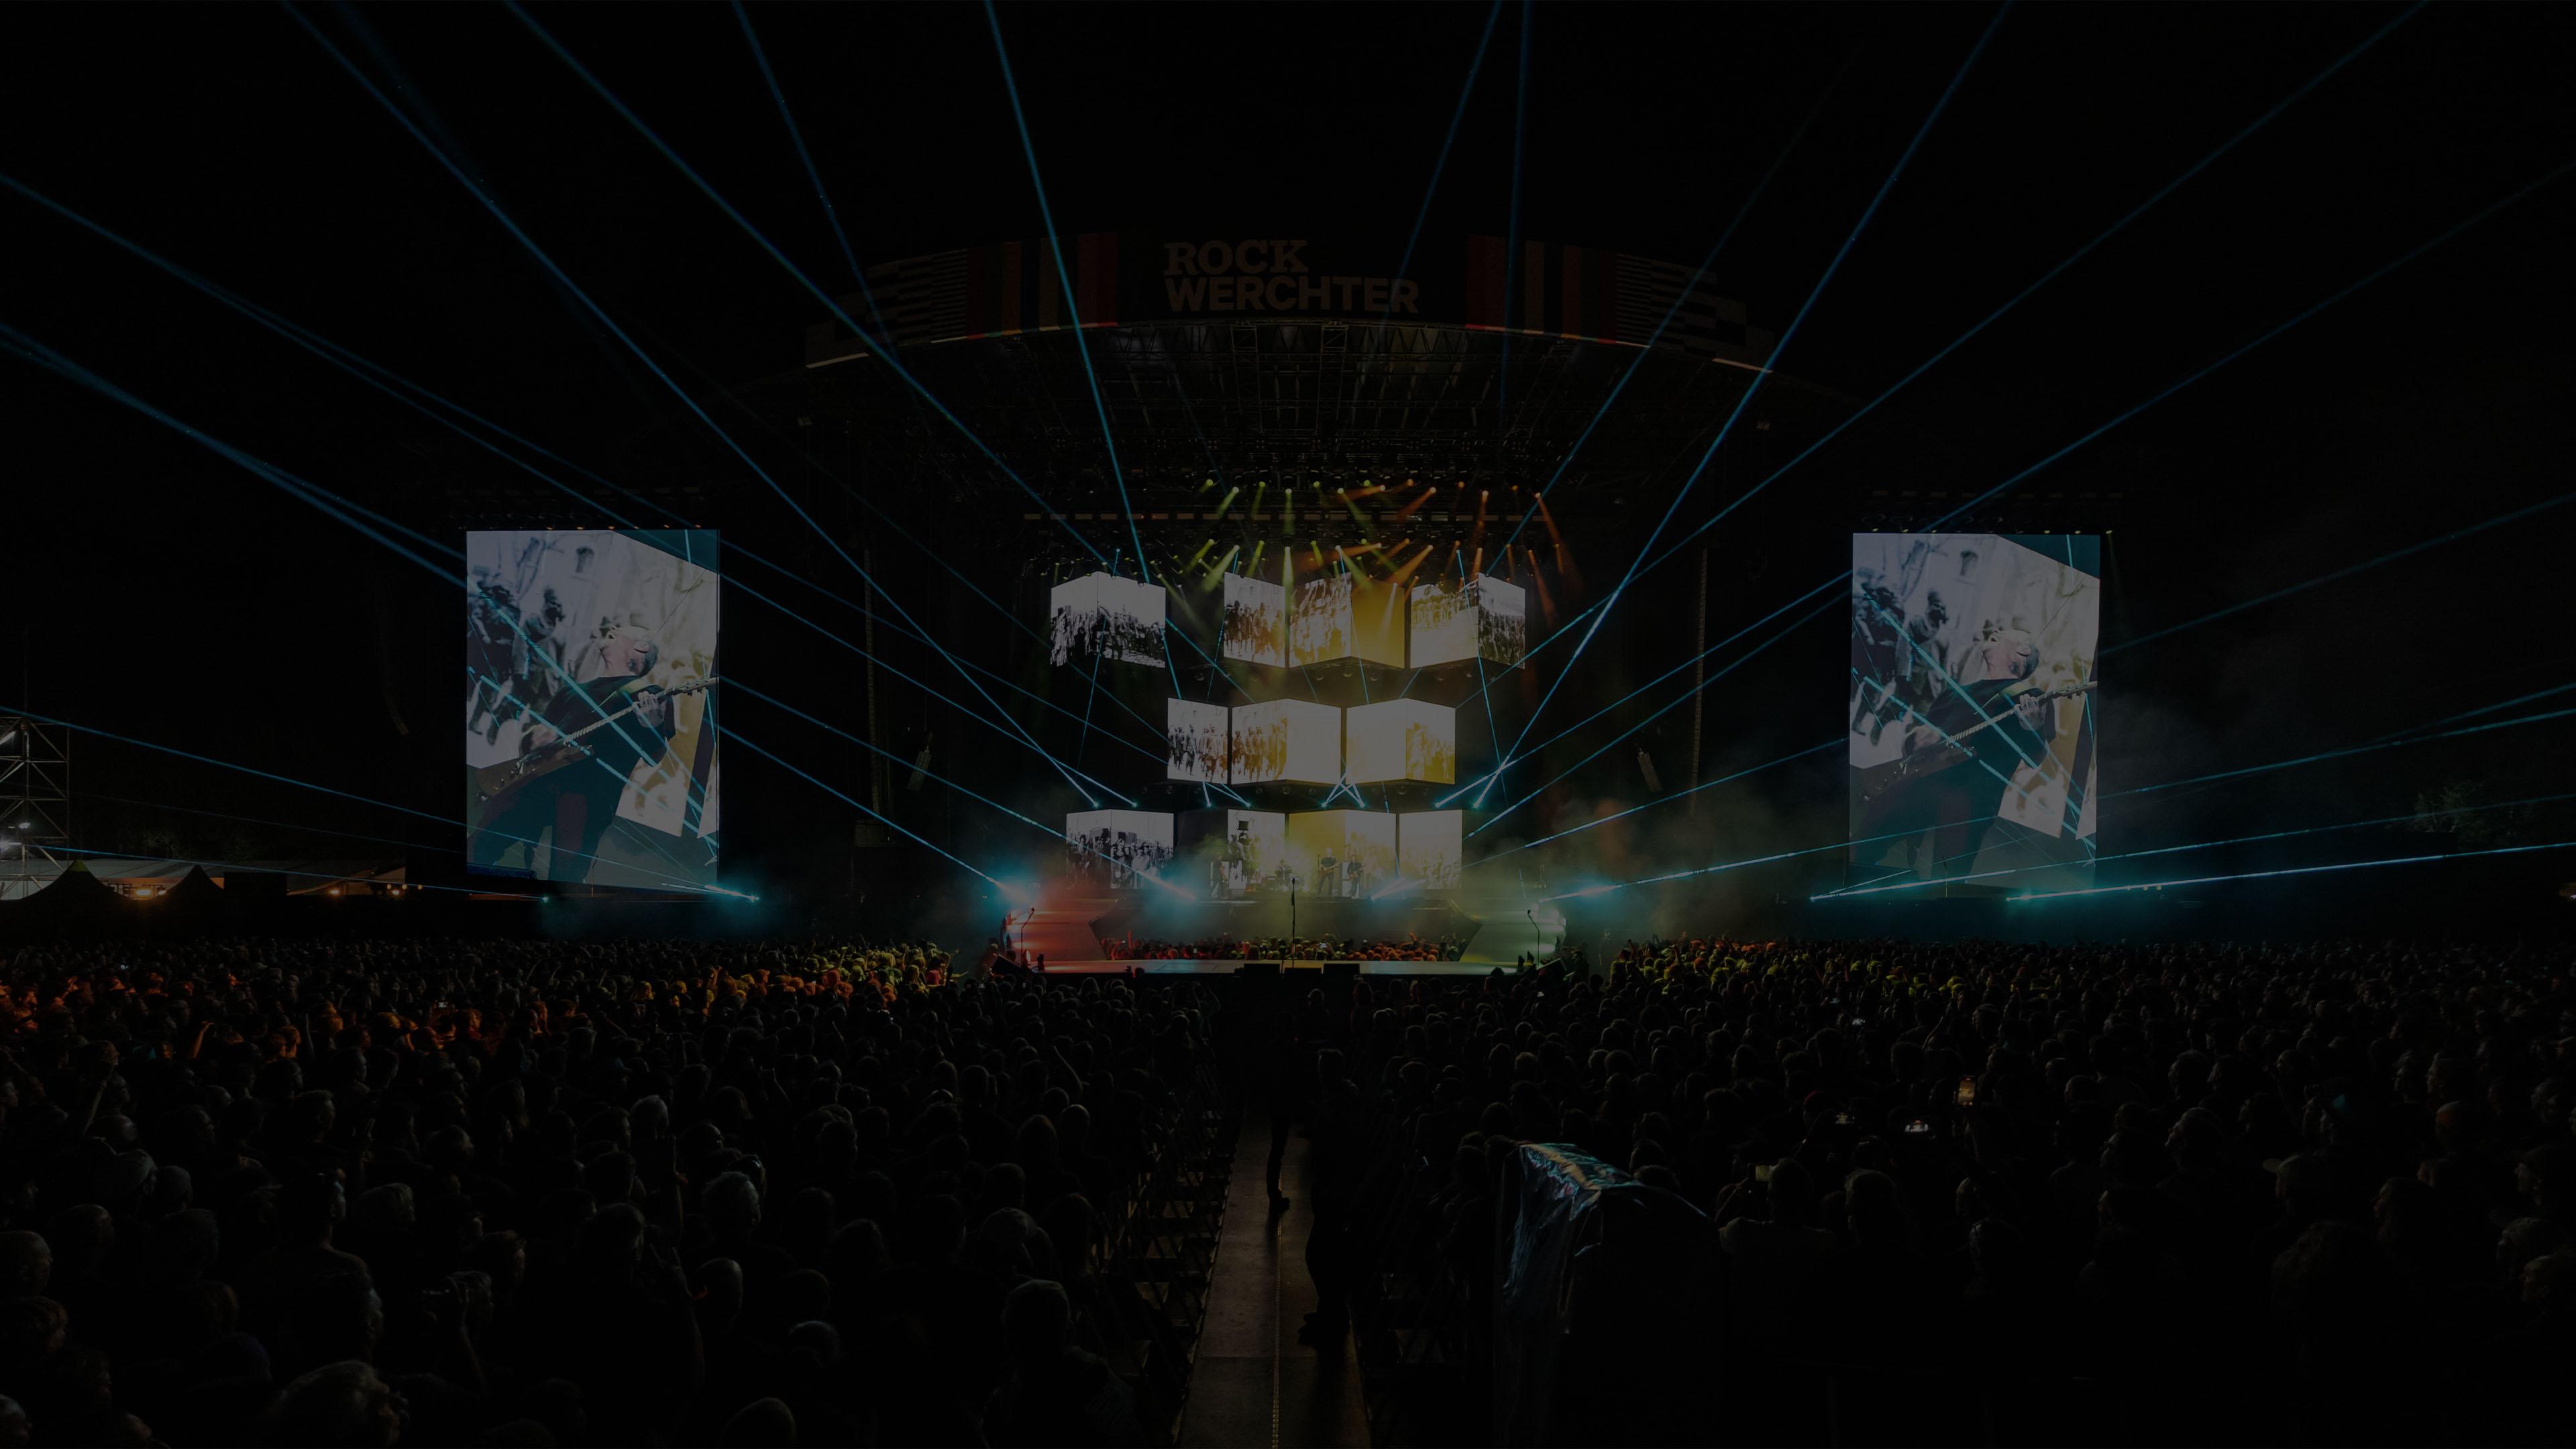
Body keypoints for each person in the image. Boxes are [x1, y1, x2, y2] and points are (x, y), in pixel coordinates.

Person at [467, 625, 683, 882]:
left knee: (566, 878)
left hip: (588, 792)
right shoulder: (571, 690)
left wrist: (653, 727)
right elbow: (533, 741)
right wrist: (533, 739)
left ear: (641, 647)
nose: (612, 627)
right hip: (536, 781)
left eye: (621, 629)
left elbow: (654, 756)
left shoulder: (648, 694)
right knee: (477, 847)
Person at [1851, 628, 2060, 881]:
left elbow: (2035, 758)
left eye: (2004, 632)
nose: (1994, 631)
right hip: (1919, 784)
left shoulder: (2030, 697)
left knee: (1947, 881)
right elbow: (1914, 744)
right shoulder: (1955, 692)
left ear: (2022, 651)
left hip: (1969, 802)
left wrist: (2034, 728)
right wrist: (1916, 738)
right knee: (1860, 846)